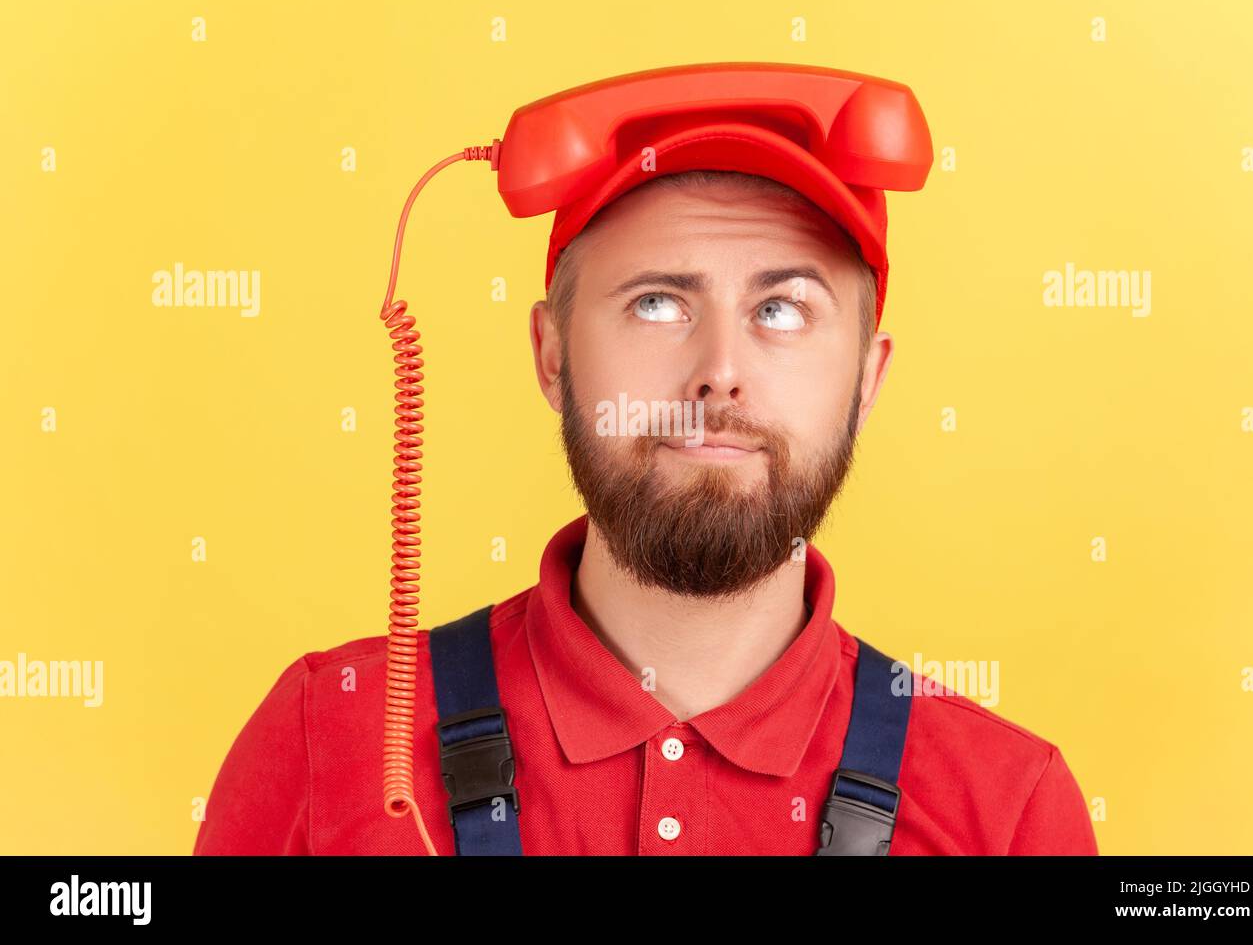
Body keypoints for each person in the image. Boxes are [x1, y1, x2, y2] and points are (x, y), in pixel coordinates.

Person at [193, 166, 1098, 857]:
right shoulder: (331, 737)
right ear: (551, 355)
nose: (720, 371)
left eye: (782, 309)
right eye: (658, 302)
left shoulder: (1005, 807)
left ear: (867, 380)